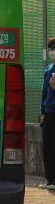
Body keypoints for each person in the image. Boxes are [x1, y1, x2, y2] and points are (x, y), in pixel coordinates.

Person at [43, 39, 55, 187]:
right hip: (49, 111)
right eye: (51, 48)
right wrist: (42, 112)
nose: (53, 51)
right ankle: (50, 179)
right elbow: (44, 94)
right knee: (48, 146)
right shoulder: (48, 70)